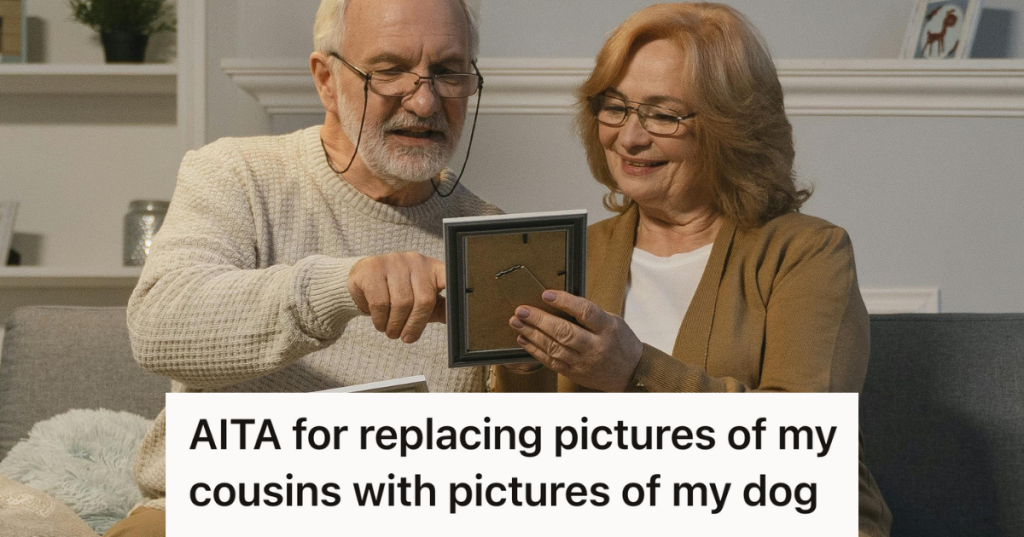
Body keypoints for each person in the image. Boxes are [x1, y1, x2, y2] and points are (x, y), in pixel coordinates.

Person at [492, 4, 892, 535]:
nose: (629, 138)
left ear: (732, 127)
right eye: (615, 107)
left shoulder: (809, 253)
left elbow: (798, 446)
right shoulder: (570, 255)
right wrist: (518, 369)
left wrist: (634, 373)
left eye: (663, 115)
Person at [105, 0, 496, 535]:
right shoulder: (236, 173)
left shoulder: (486, 228)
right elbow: (158, 325)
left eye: (449, 73)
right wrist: (344, 285)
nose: (425, 100)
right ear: (327, 81)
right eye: (388, 71)